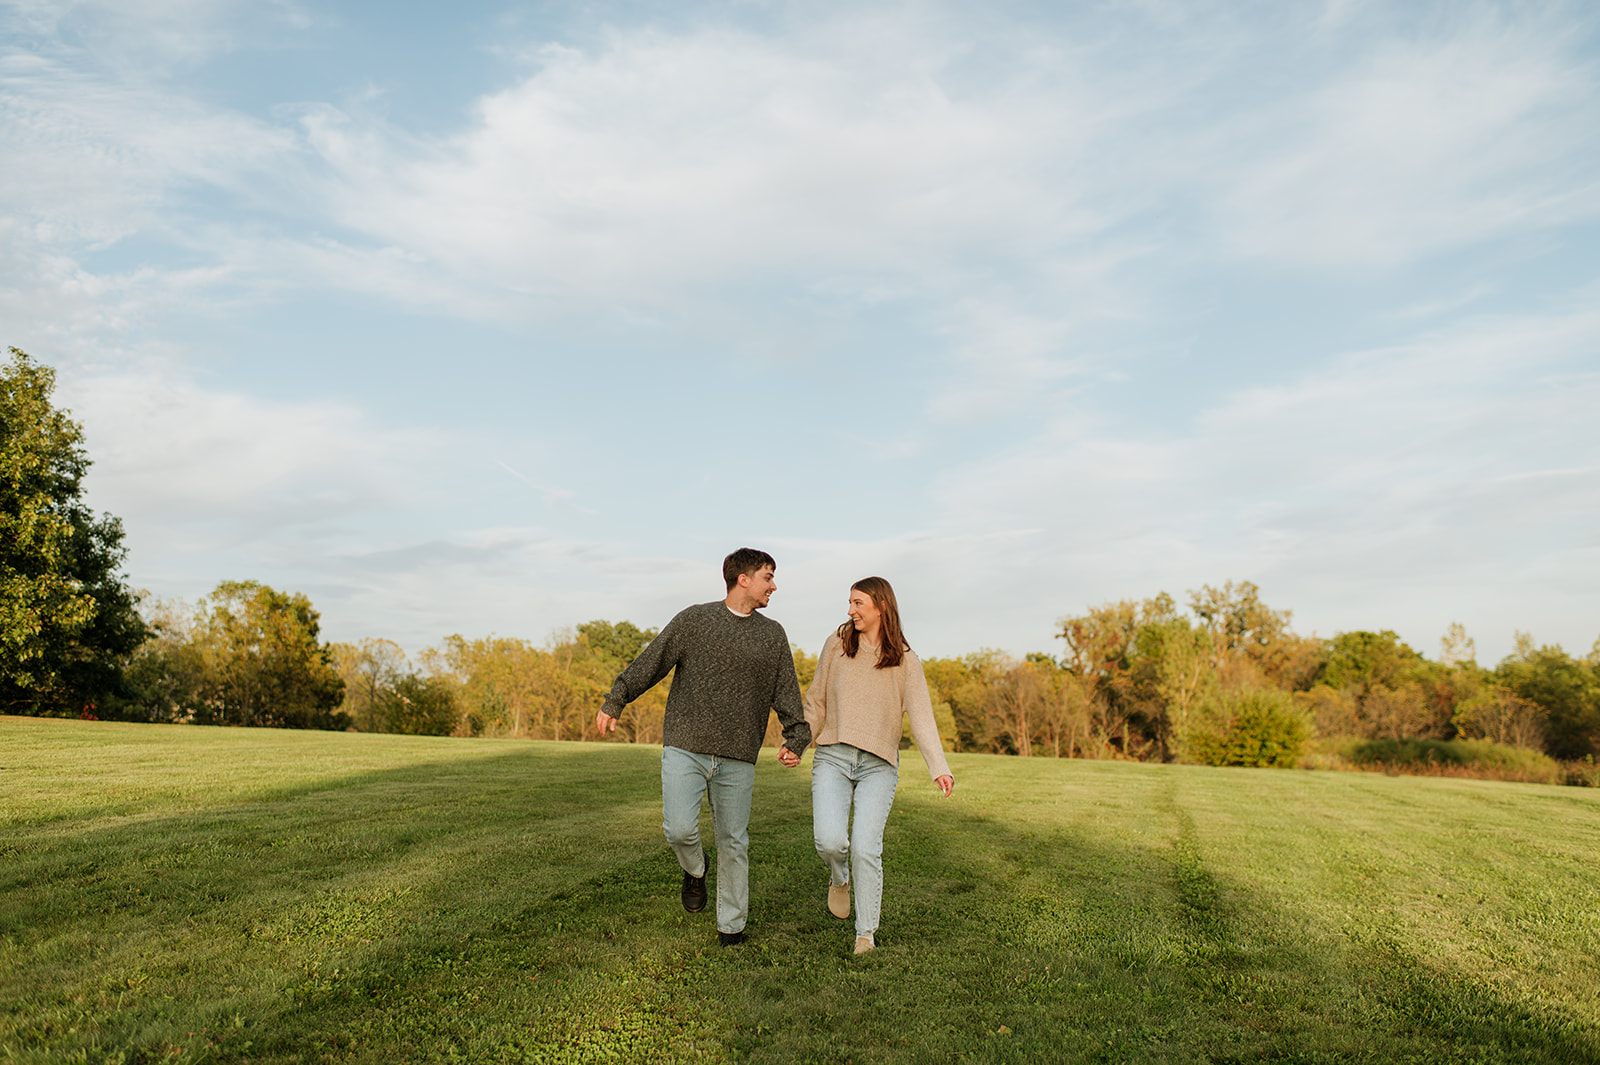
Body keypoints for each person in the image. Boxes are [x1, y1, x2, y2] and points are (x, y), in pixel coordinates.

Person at [595, 548, 812, 947]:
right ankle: (695, 869)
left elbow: (786, 692)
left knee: (734, 841)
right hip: (686, 745)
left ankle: (732, 928)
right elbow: (652, 660)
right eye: (768, 576)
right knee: (678, 829)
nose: (774, 585)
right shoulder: (695, 620)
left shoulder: (772, 635)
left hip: (738, 755)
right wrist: (617, 698)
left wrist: (795, 736)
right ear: (742, 579)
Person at [782, 576, 954, 956]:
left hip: (879, 765)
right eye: (850, 603)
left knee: (865, 847)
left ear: (881, 606)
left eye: (858, 603)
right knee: (829, 840)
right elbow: (816, 704)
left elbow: (922, 717)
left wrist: (938, 767)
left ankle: (865, 935)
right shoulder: (837, 646)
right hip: (833, 755)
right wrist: (798, 743)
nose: (850, 610)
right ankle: (838, 878)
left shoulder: (906, 661)